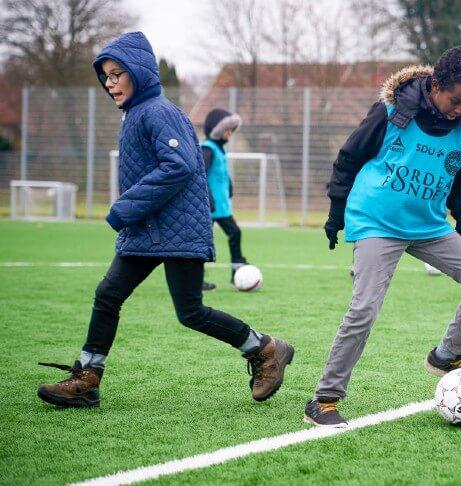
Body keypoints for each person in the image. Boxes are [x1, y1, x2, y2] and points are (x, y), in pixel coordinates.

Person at [36, 32, 294, 408]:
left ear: (138, 73)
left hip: (176, 229)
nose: (110, 82)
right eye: (105, 76)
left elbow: (179, 167)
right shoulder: (137, 114)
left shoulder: (158, 111)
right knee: (108, 295)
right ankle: (88, 378)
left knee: (191, 312)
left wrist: (126, 207)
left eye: (117, 73)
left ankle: (266, 349)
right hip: (148, 230)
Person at [305, 46, 461, 428]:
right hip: (377, 221)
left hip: (429, 226)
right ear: (436, 85)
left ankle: (446, 355)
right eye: (456, 100)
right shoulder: (392, 113)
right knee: (363, 310)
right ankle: (324, 399)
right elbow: (349, 158)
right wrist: (336, 211)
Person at [201, 108, 249, 291]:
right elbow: (201, 174)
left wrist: (229, 186)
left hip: (221, 208)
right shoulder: (207, 149)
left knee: (235, 233)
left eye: (232, 130)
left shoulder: (221, 151)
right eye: (228, 129)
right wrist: (207, 197)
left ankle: (237, 271)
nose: (230, 133)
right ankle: (196, 280)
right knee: (204, 243)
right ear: (217, 130)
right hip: (208, 207)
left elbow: (221, 175)